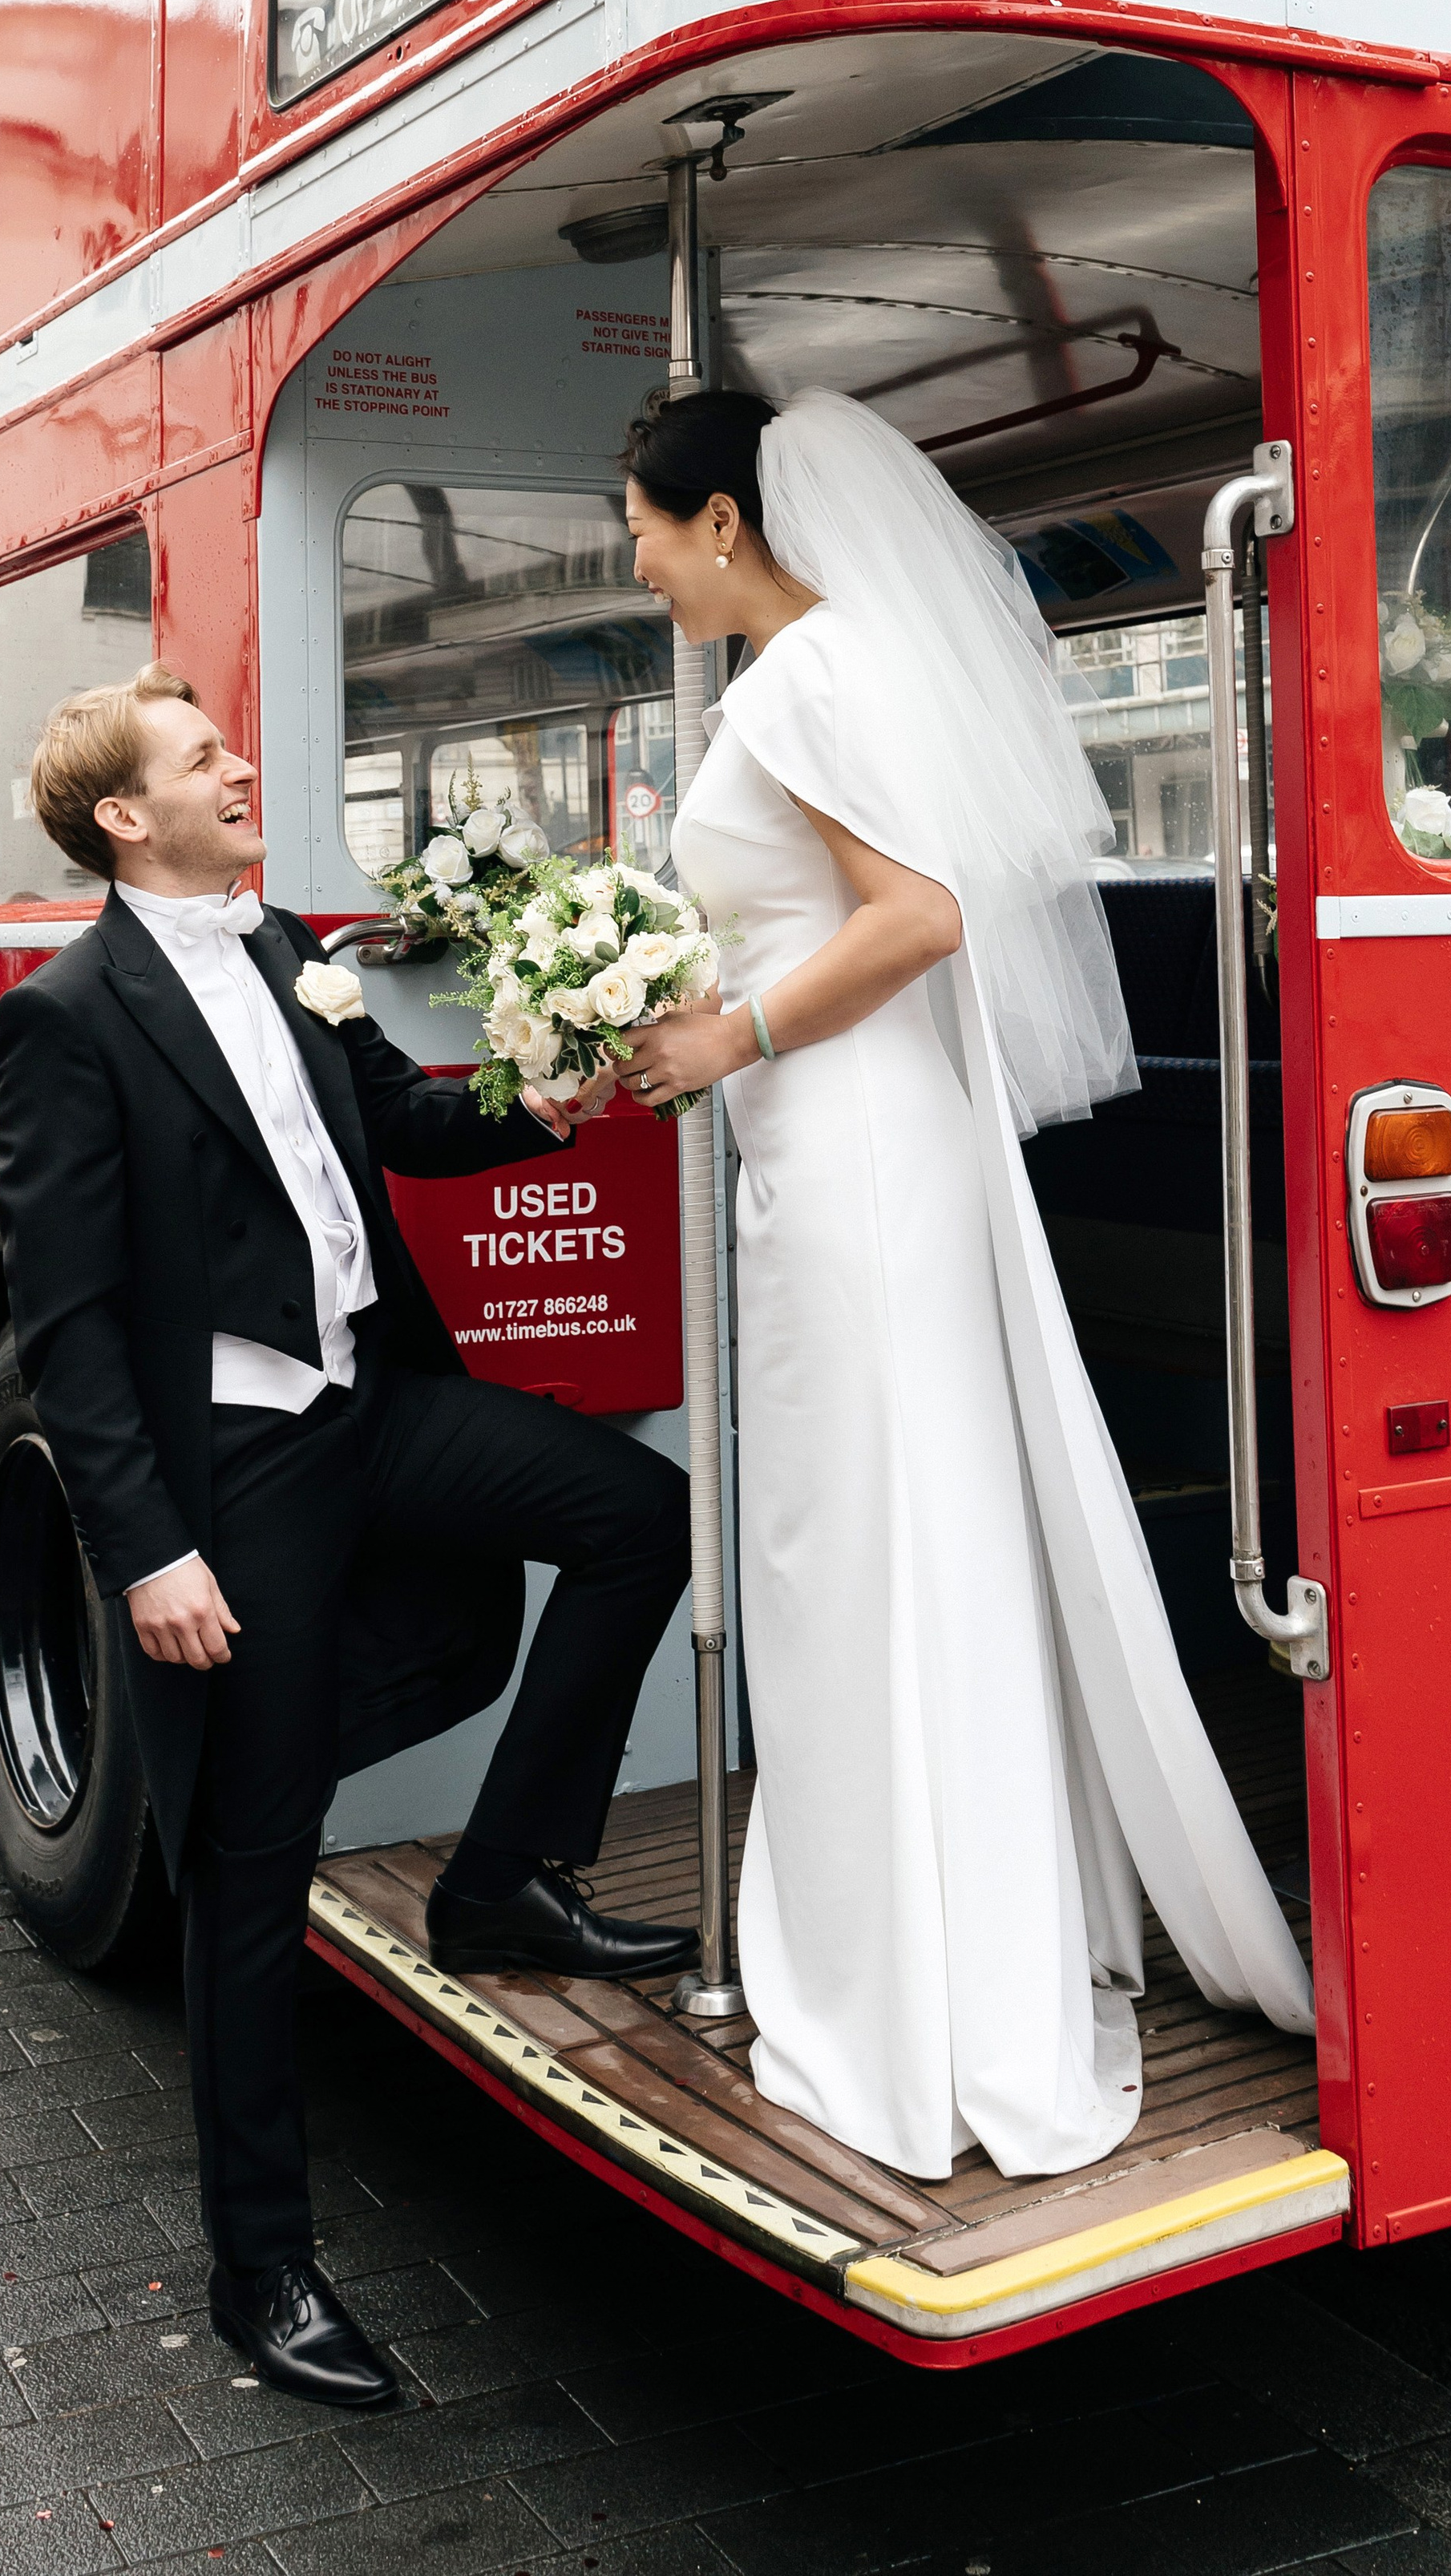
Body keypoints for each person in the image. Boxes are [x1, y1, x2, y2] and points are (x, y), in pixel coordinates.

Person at [614, 390, 1313, 2182]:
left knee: (856, 1552)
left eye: (638, 522)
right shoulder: (816, 670)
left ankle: (904, 1996)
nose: (628, 557)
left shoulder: (800, 679)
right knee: (883, 1543)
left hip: (849, 1153)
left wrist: (729, 1031)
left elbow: (914, 914)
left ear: (716, 521)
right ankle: (927, 1946)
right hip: (841, 1148)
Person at [0, 663, 693, 2409]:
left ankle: (499, 1879)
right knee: (248, 1861)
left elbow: (384, 1121)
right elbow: (67, 1322)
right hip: (237, 1467)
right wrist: (146, 1551)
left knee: (636, 1515)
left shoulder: (289, 937)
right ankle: (262, 2267)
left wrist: (524, 1106)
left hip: (378, 1398)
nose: (243, 761)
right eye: (203, 755)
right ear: (125, 818)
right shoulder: (65, 1017)